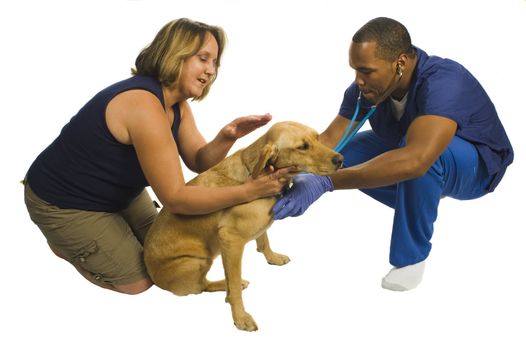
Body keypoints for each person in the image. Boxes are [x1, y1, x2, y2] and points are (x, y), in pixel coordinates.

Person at [24, 18, 293, 295]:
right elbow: (176, 199)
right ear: (175, 53)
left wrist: (227, 136)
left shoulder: (177, 106)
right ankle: (65, 243)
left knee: (161, 250)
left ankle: (101, 233)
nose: (211, 71)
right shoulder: (143, 107)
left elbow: (199, 162)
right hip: (63, 201)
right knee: (140, 280)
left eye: (215, 63)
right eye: (203, 59)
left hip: (118, 194)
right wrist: (248, 191)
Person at [273, 17, 513, 291]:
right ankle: (422, 197)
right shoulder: (366, 90)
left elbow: (416, 159)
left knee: (421, 162)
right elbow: (329, 142)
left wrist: (327, 182)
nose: (358, 81)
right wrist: (288, 172)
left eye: (366, 71)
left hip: (475, 166)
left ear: (399, 63)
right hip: (409, 147)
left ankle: (411, 259)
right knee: (343, 154)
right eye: (354, 71)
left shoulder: (445, 81)